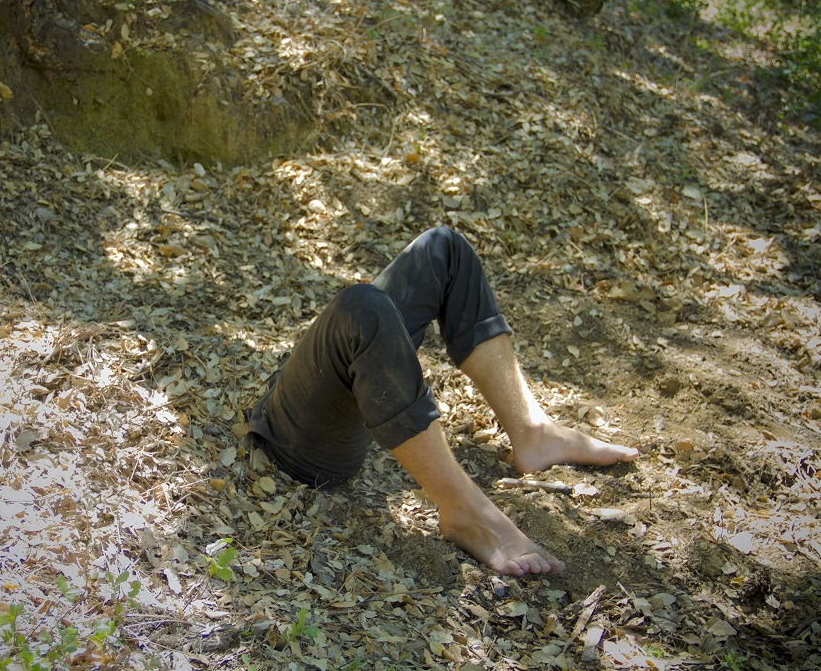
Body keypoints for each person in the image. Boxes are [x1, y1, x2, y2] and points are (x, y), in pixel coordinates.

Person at [248, 226, 638, 576]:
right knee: (361, 310)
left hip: (318, 390)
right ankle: (464, 510)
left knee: (444, 250)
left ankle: (533, 431)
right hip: (294, 443)